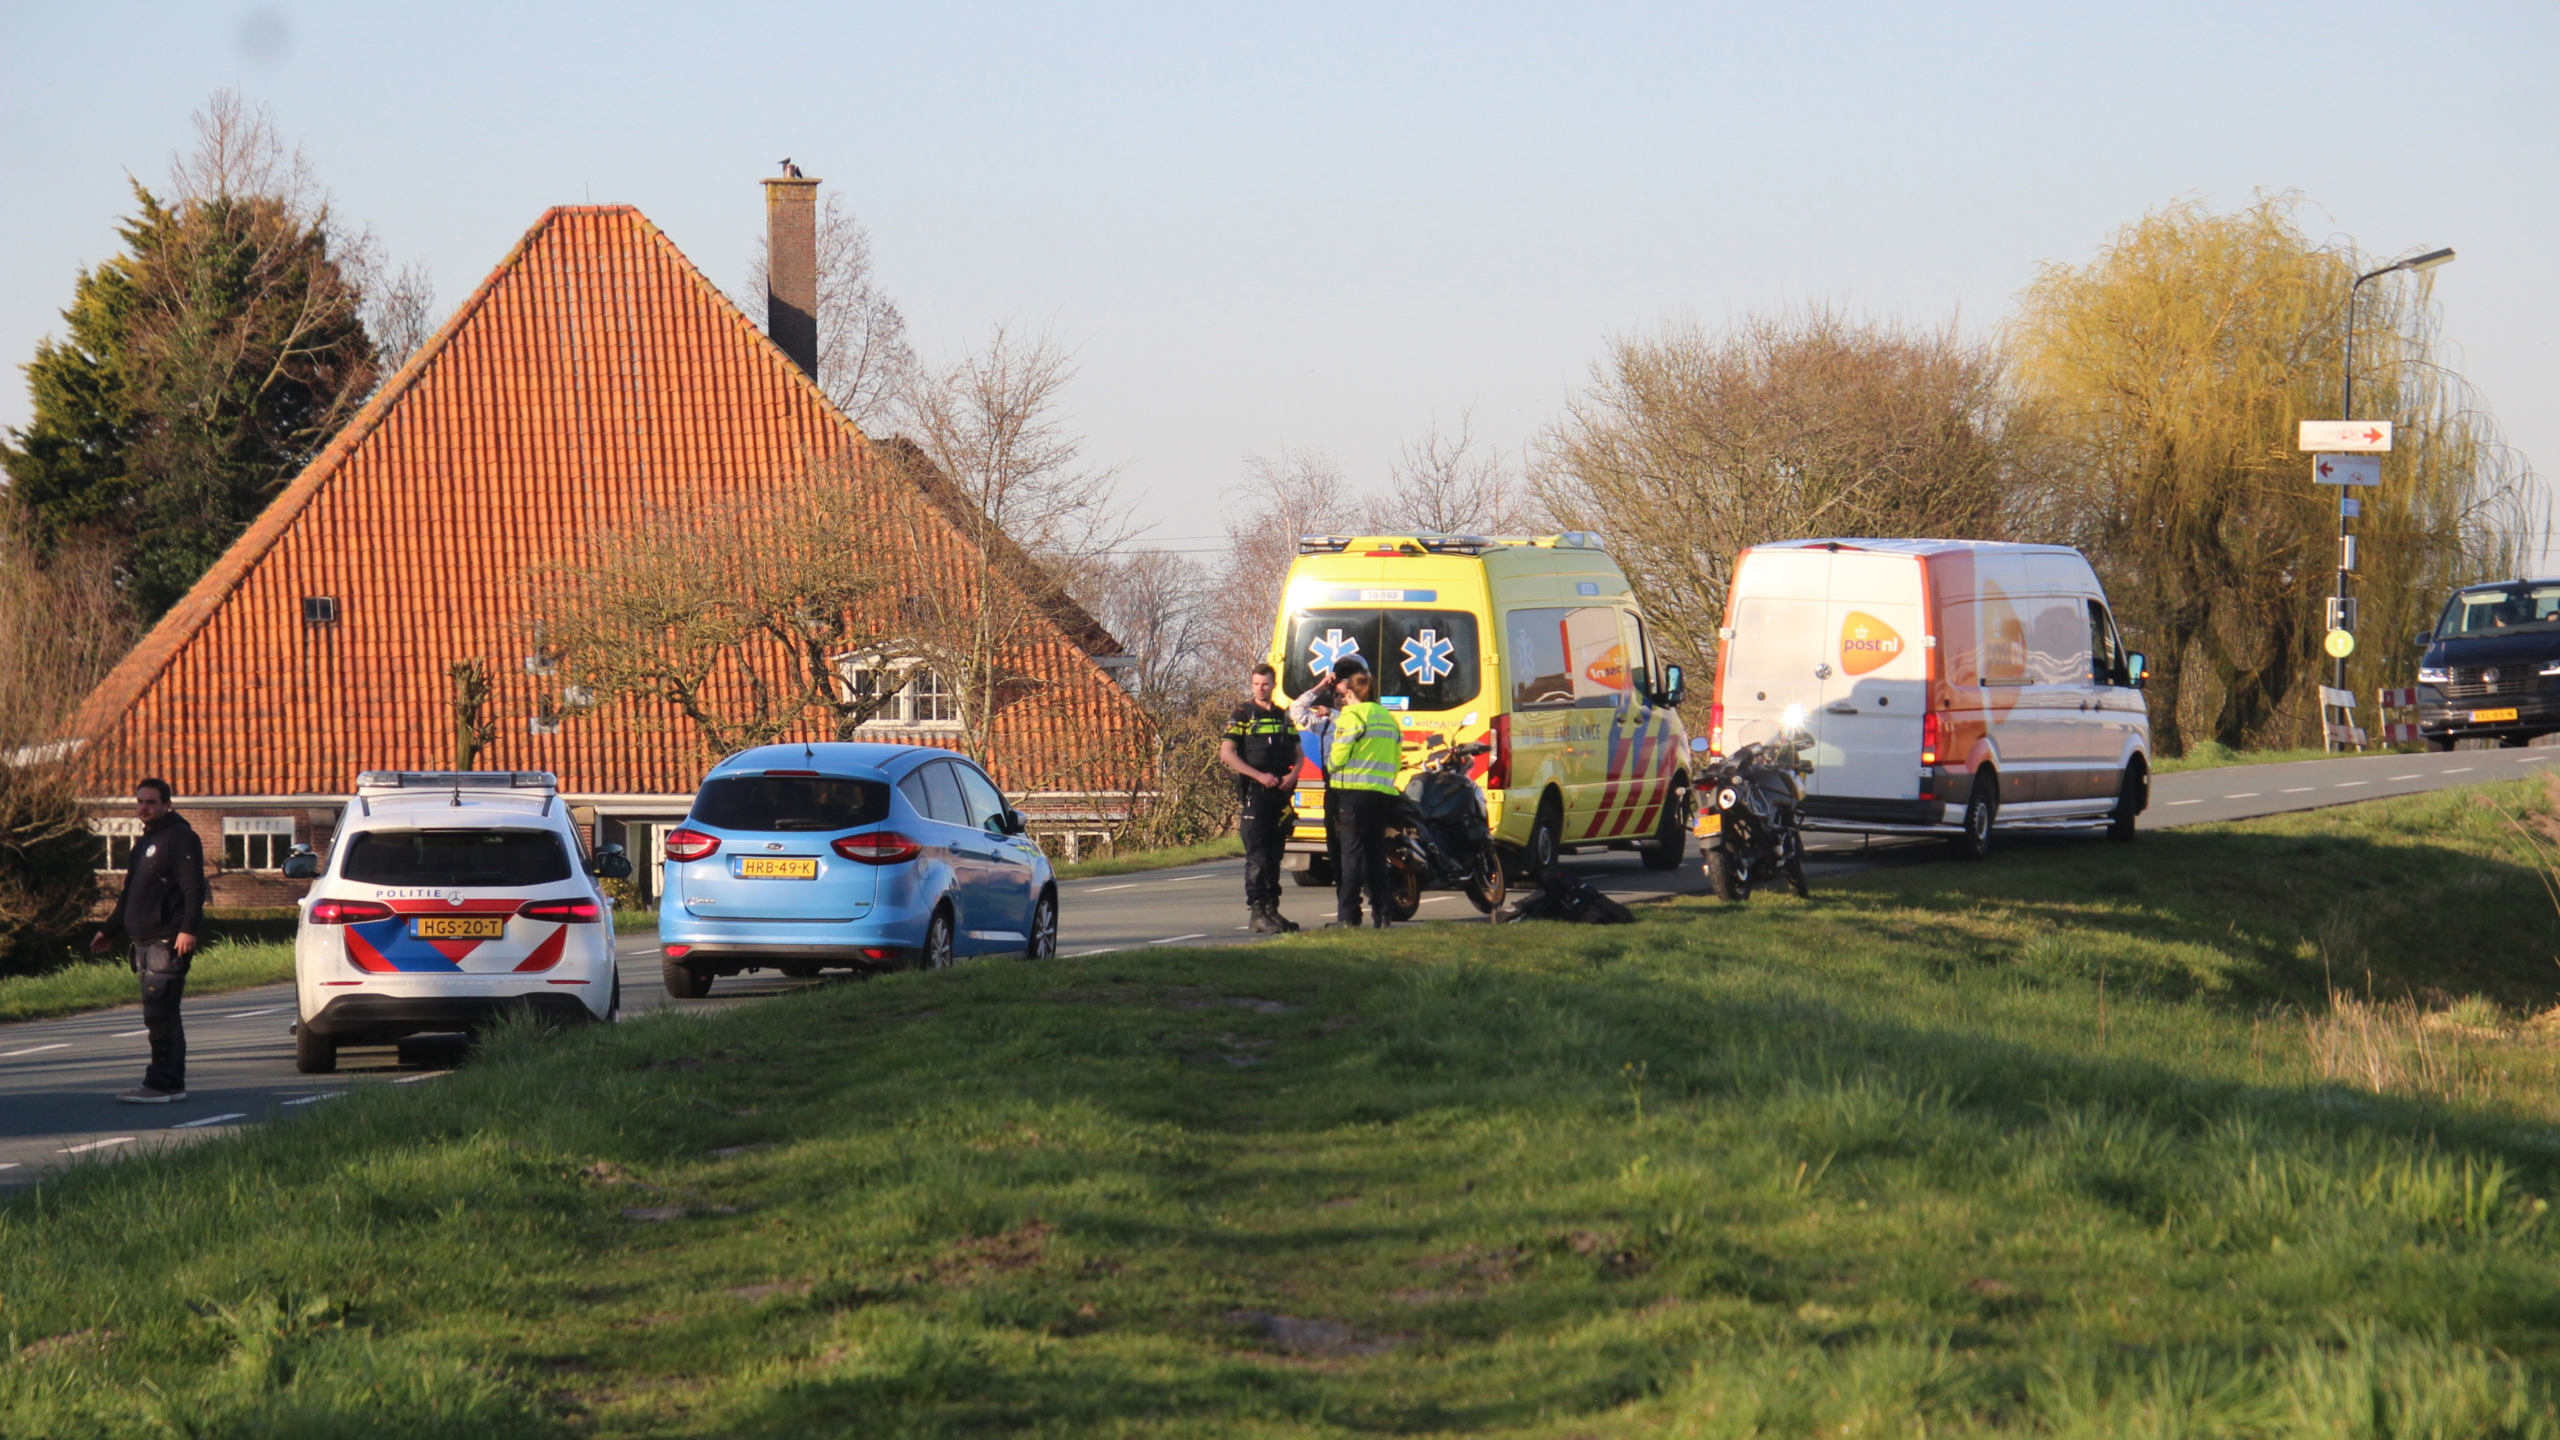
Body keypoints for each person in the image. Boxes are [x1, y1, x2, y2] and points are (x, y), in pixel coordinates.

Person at [90, 778, 205, 1103]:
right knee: (164, 1013)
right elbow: (129, 893)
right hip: (141, 942)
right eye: (140, 802)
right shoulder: (143, 842)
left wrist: (188, 928)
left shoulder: (181, 837)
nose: (143, 807)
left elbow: (194, 888)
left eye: (151, 802)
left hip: (167, 940)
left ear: (167, 804)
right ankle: (172, 1082)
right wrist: (110, 929)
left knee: (158, 1013)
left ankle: (158, 1083)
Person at [1220, 662, 1303, 934]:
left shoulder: (1282, 717)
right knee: (1257, 854)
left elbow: (1298, 752)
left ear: (1273, 684)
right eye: (1256, 683)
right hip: (1255, 794)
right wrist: (1258, 776)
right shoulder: (1242, 715)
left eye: (1265, 684)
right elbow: (1227, 754)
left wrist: (1293, 776)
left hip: (1280, 794)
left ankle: (1272, 910)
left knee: (1275, 853)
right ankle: (1257, 913)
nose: (1260, 688)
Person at [1325, 657, 1403, 928]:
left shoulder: (1352, 716)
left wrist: (1332, 767)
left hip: (1352, 793)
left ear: (1351, 694)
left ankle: (1347, 917)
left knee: (1351, 858)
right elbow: (1396, 757)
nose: (1342, 698)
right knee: (1375, 855)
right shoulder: (1387, 717)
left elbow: (1338, 755)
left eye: (1345, 694)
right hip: (1380, 793)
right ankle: (1382, 914)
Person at [1288, 668, 1343, 889]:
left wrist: (1331, 712)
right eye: (1336, 695)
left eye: (1344, 694)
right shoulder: (1326, 722)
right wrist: (1321, 686)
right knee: (1333, 842)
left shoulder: (1356, 720)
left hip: (1353, 788)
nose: (1340, 699)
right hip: (1331, 786)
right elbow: (1296, 711)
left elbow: (1351, 725)